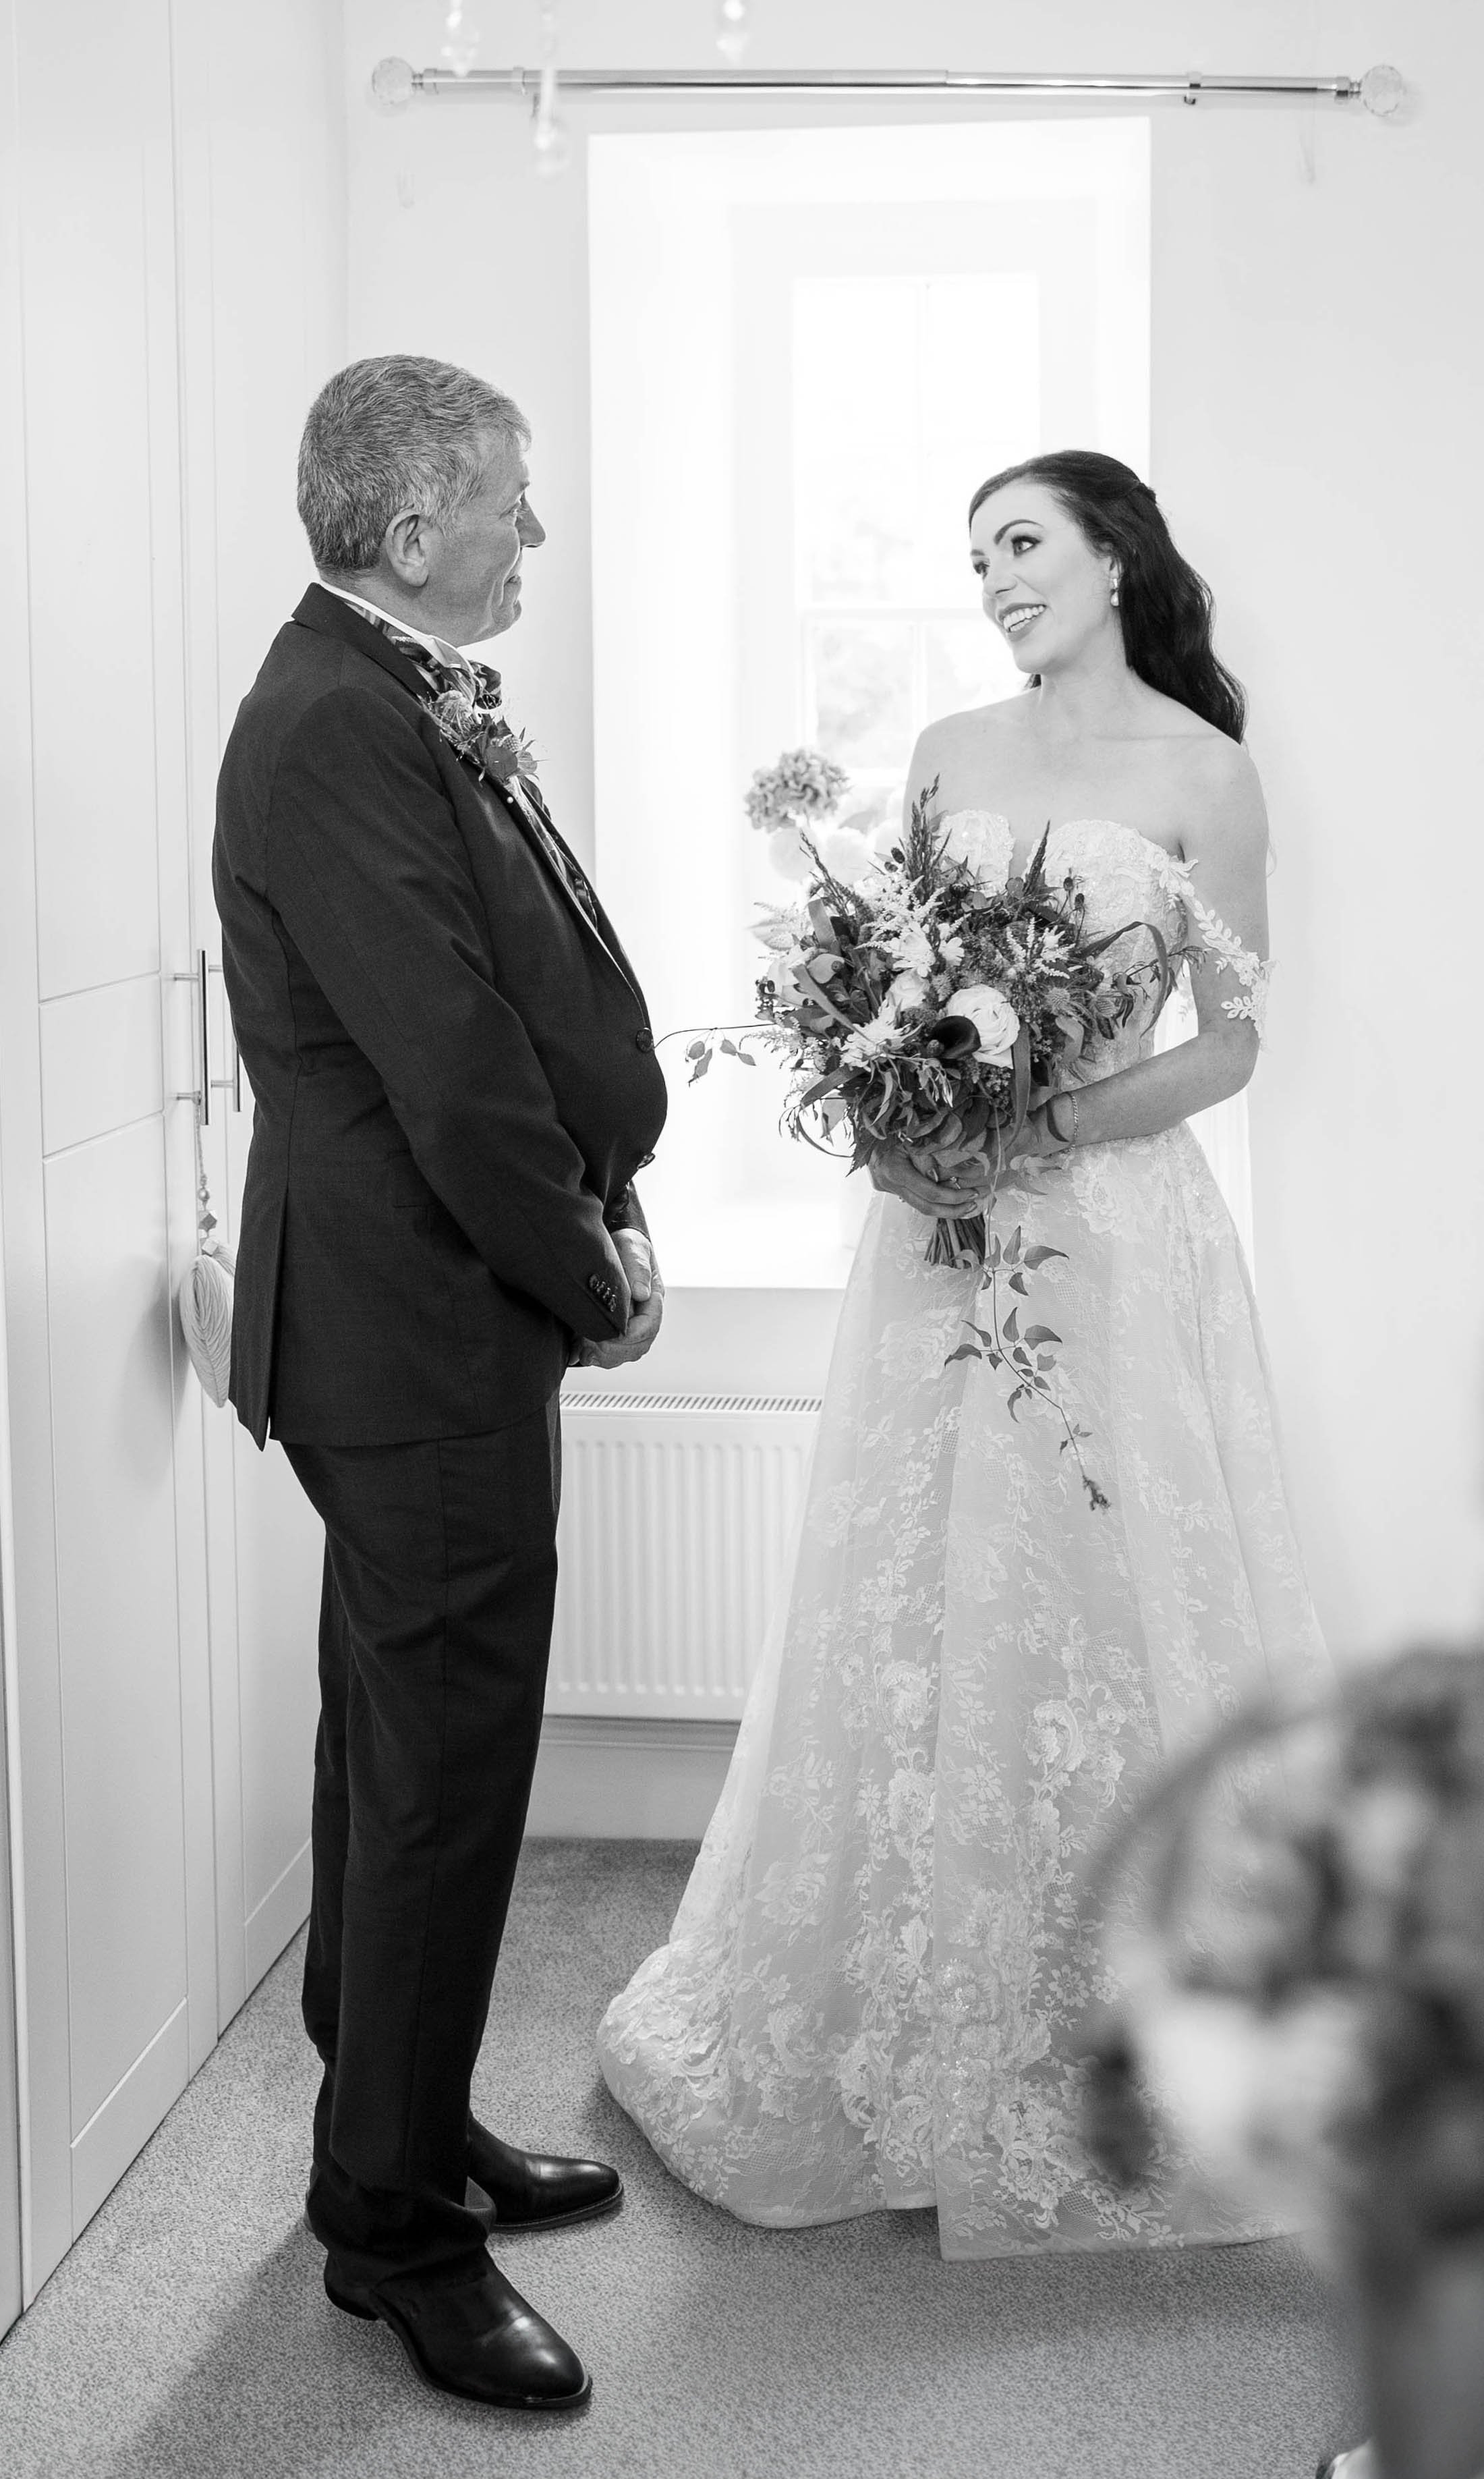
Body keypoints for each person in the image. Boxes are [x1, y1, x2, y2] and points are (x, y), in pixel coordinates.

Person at [598, 449, 1330, 2258]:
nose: (994, 579)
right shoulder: (945, 752)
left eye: (1024, 545)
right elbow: (895, 992)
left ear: (1113, 557)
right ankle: (894, 2021)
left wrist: (1049, 1117)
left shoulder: (1204, 771)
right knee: (920, 1589)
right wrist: (896, 1118)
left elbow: (1231, 1042)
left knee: (1107, 1588)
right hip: (937, 1239)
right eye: (976, 556)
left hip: (1113, 1246)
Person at [214, 354, 666, 2406]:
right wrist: (588, 1272)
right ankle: (390, 2227)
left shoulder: (387, 688)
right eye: (512, 502)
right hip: (416, 1331)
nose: (534, 538)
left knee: (392, 1755)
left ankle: (393, 2119)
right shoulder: (334, 723)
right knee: (445, 1781)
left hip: (430, 1319)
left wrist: (609, 1194)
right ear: (414, 531)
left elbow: (510, 1001)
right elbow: (455, 1069)